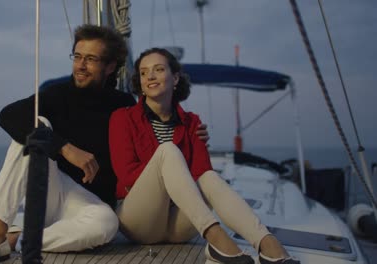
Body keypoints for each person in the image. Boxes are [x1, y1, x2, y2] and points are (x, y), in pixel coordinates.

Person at [0, 26, 209, 264]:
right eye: (77, 56)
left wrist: (191, 133)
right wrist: (66, 148)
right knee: (36, 126)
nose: (80, 65)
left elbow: (158, 133)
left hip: (90, 204)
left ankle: (14, 240)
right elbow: (8, 115)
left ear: (110, 66)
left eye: (90, 59)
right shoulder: (57, 94)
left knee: (107, 224)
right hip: (51, 189)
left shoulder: (123, 104)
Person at [109, 48, 300, 264]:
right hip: (140, 220)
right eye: (143, 73)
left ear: (175, 78)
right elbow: (127, 175)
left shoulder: (192, 123)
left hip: (179, 225)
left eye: (158, 69)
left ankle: (266, 243)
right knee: (168, 151)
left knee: (209, 177)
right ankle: (217, 238)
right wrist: (171, 178)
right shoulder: (122, 118)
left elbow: (202, 173)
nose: (150, 76)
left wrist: (180, 183)